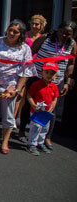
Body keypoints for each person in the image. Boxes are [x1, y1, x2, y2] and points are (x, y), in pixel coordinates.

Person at [25, 21, 76, 149]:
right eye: (61, 32)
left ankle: (46, 138)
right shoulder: (45, 38)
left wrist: (68, 81)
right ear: (57, 30)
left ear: (73, 34)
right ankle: (22, 132)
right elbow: (31, 52)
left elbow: (70, 63)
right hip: (38, 76)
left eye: (68, 34)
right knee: (30, 105)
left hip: (56, 80)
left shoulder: (72, 44)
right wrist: (27, 70)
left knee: (50, 108)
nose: (63, 35)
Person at [0, 19, 36, 154]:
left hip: (11, 84)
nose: (11, 33)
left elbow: (26, 71)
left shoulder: (25, 49)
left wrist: (17, 89)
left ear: (20, 34)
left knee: (8, 115)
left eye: (15, 32)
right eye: (10, 30)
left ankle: (5, 141)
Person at [27, 62, 59, 156]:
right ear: (42, 73)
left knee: (45, 128)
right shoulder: (36, 84)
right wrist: (33, 105)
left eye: (52, 74)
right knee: (35, 127)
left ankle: (40, 143)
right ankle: (32, 144)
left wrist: (52, 106)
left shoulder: (54, 87)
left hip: (46, 113)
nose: (49, 75)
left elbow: (55, 98)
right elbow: (29, 95)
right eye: (47, 72)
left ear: (55, 76)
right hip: (36, 112)